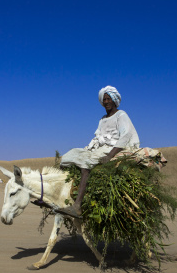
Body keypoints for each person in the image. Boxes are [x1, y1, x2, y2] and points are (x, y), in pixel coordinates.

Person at [52, 86, 139, 219]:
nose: (106, 102)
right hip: (98, 148)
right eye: (104, 99)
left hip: (112, 148)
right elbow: (98, 137)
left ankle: (77, 206)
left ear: (114, 100)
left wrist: (110, 155)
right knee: (67, 157)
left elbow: (125, 136)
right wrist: (87, 150)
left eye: (108, 99)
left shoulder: (121, 115)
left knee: (86, 163)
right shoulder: (102, 119)